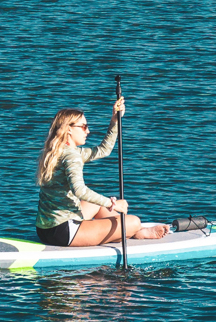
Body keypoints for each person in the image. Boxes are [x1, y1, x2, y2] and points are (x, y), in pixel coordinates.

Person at [35, 96, 168, 246]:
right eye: (84, 127)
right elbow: (79, 190)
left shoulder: (55, 151)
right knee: (134, 221)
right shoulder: (72, 156)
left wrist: (114, 121)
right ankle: (135, 231)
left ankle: (128, 232)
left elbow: (103, 150)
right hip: (65, 232)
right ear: (69, 129)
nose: (88, 131)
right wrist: (112, 204)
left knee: (94, 204)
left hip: (45, 229)